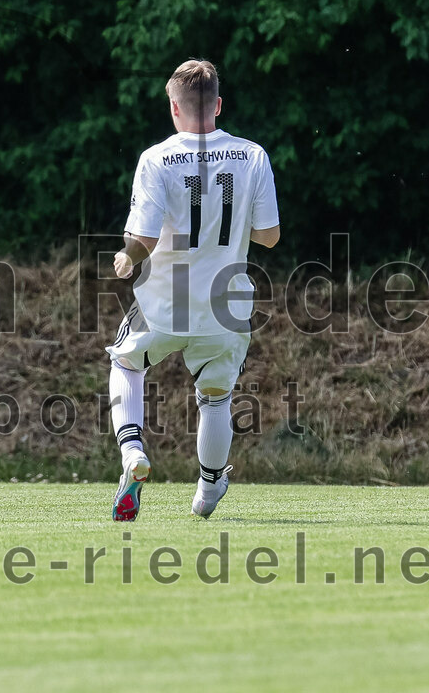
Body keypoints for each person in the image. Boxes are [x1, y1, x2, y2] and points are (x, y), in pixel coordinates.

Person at [106, 60, 280, 521]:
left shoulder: (157, 158)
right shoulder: (253, 155)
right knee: (216, 397)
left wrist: (128, 257)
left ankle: (132, 454)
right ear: (218, 105)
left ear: (174, 108)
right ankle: (206, 492)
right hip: (225, 306)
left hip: (165, 301)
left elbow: (142, 238)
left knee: (126, 362)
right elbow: (270, 235)